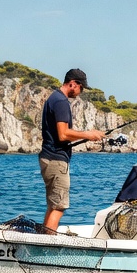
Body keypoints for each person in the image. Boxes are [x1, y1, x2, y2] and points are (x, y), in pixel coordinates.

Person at [39, 68, 104, 233]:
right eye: (81, 88)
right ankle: (46, 245)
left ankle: (43, 237)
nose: (80, 92)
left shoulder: (54, 98)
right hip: (56, 160)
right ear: (73, 84)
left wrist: (89, 135)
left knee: (54, 205)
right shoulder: (61, 101)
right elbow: (63, 134)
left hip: (49, 157)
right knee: (59, 206)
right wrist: (88, 134)